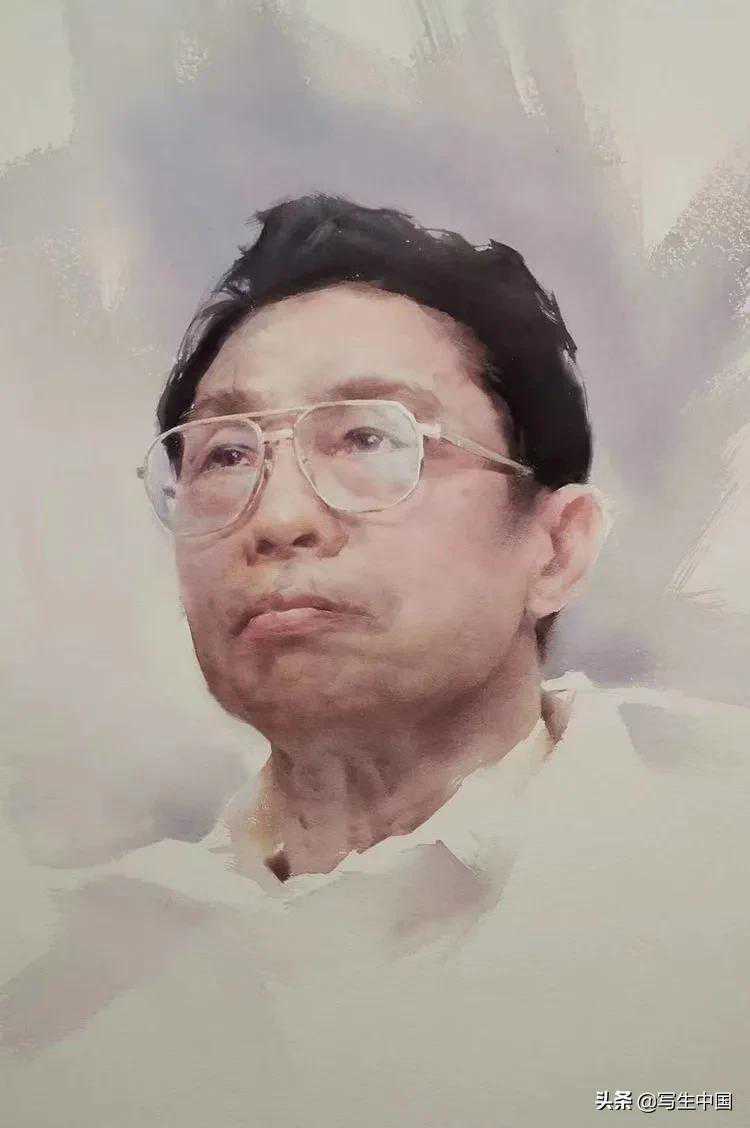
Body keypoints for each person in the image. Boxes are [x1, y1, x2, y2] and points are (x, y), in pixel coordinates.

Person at [3, 195, 748, 1128]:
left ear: (557, 548)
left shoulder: (719, 864)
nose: (278, 519)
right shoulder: (69, 986)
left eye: (368, 438)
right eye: (225, 456)